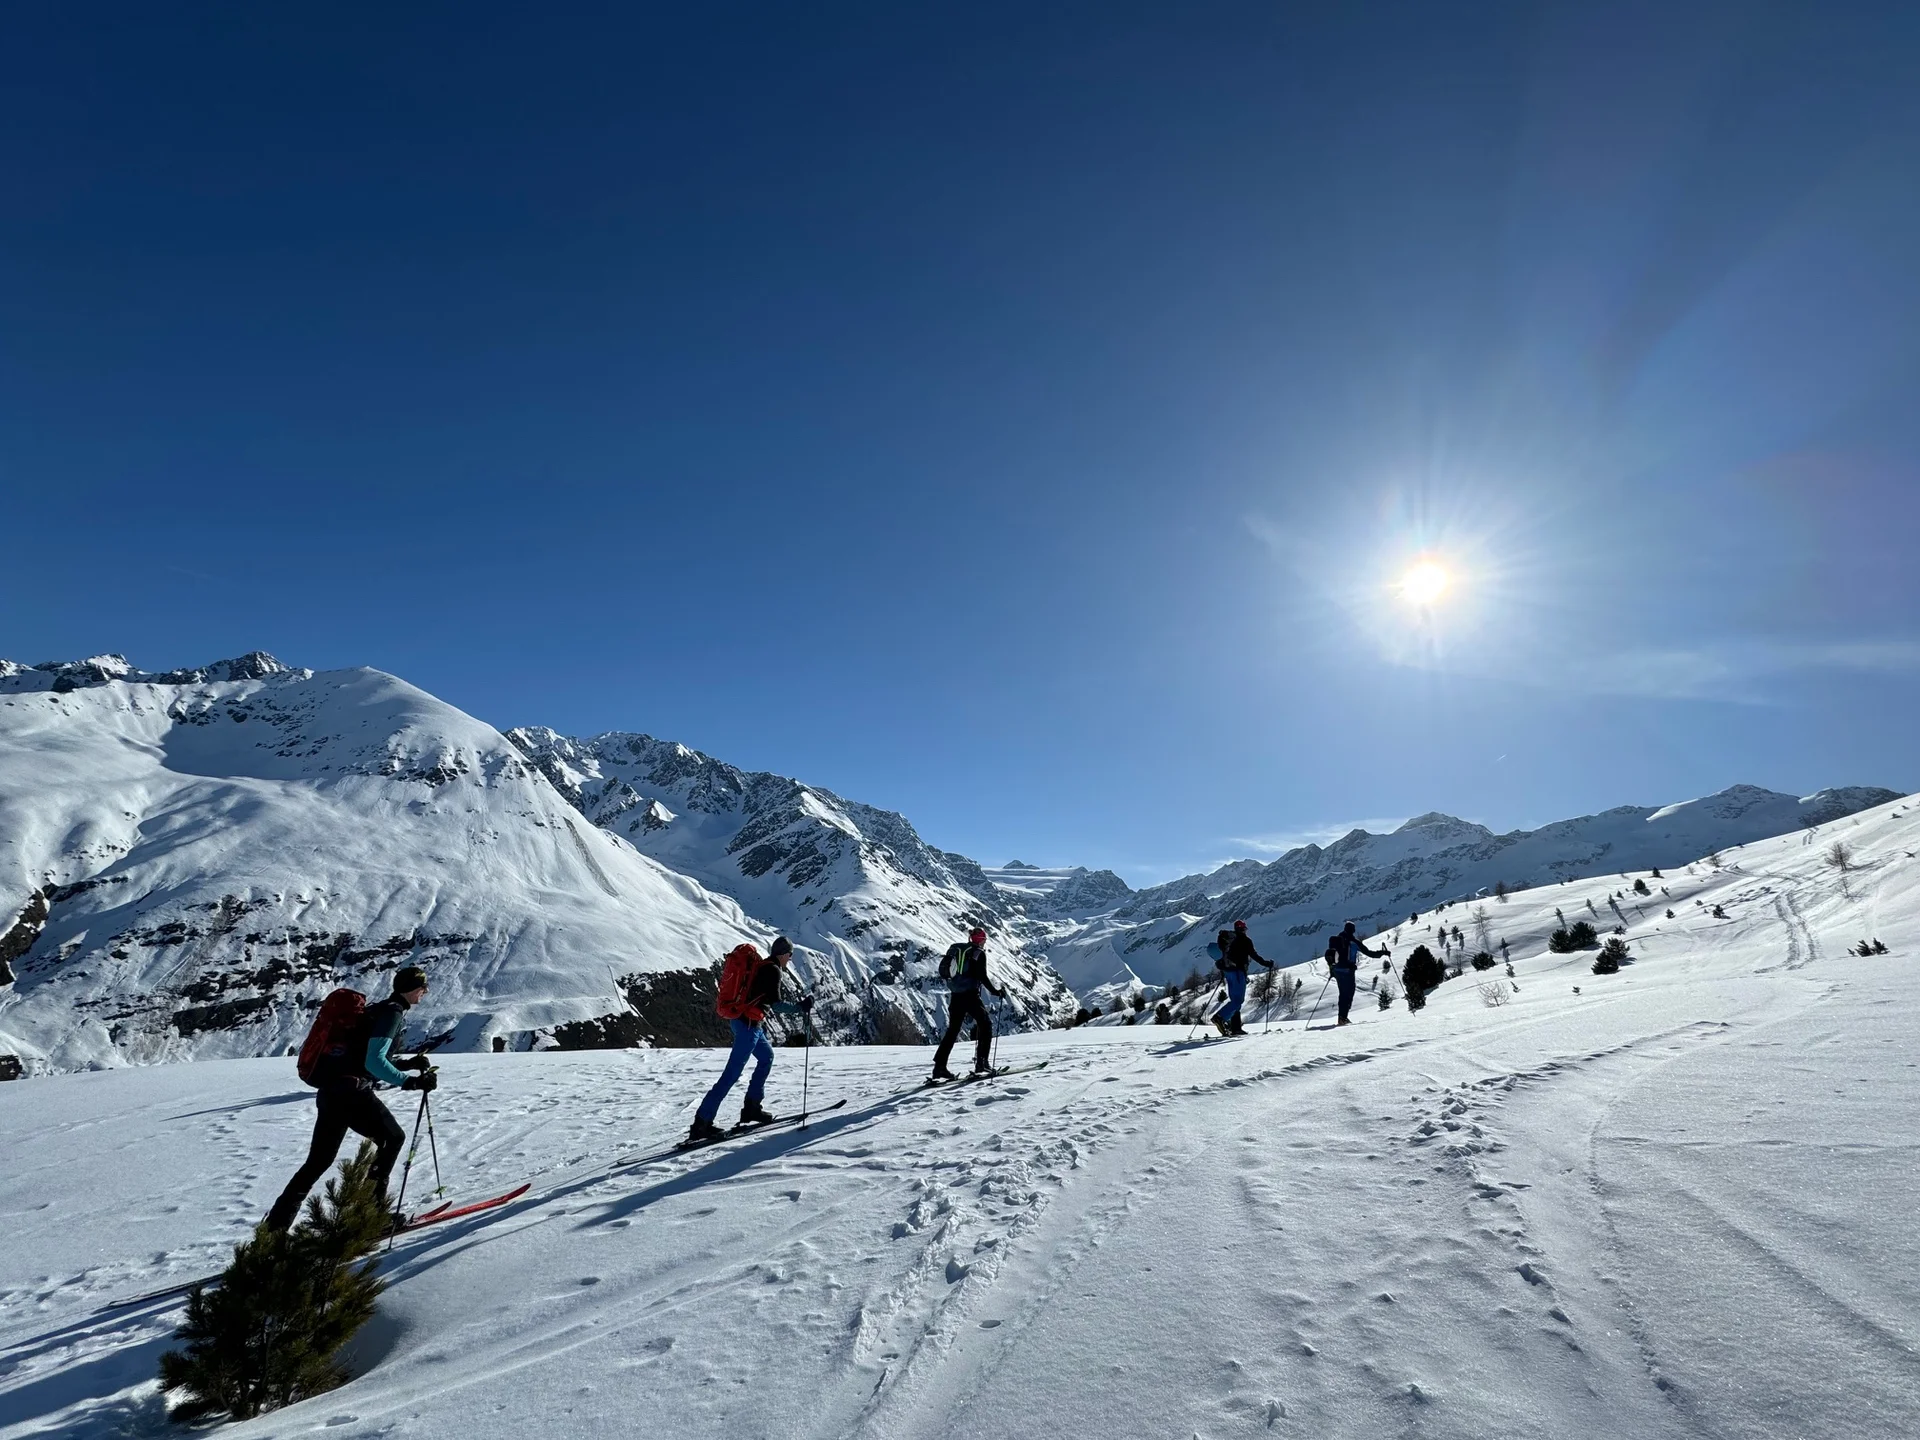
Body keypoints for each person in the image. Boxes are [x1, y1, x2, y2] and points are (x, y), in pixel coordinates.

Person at [266, 965, 435, 1232]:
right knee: (393, 1138)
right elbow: (374, 1061)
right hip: (353, 1094)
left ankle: (274, 1229)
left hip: (332, 1092)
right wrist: (410, 1082)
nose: (425, 993)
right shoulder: (392, 1013)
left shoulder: (378, 1009)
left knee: (318, 1162)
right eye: (424, 988)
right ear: (415, 989)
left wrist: (408, 1064)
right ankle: (372, 1216)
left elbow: (363, 1058)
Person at [689, 936, 813, 1144]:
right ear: (783, 954)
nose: (790, 960)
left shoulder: (764, 965)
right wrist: (800, 1008)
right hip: (748, 1025)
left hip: (746, 1022)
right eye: (790, 955)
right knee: (732, 1074)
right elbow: (776, 1004)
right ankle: (702, 1123)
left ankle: (752, 1108)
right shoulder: (773, 970)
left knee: (766, 1057)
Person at [931, 927, 1006, 1080]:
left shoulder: (959, 950)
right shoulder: (979, 954)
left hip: (956, 996)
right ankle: (982, 1063)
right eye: (984, 940)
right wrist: (995, 991)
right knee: (985, 1024)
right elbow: (982, 976)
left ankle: (939, 1067)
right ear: (981, 940)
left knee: (952, 1031)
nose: (984, 943)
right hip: (970, 996)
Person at [1213, 919, 1274, 1035]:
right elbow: (1254, 955)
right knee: (1238, 1001)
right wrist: (1267, 963)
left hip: (1228, 972)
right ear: (1243, 929)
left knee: (1234, 1000)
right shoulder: (1245, 941)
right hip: (1238, 972)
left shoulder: (1228, 940)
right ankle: (1219, 1017)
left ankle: (1235, 1027)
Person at [1327, 921, 1389, 1026]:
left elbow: (1332, 955)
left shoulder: (1337, 939)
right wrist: (1383, 953)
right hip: (1348, 971)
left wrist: (1332, 970)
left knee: (1342, 994)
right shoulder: (1353, 942)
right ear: (1353, 930)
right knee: (1348, 994)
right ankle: (1343, 1018)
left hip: (1337, 971)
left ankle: (1342, 1018)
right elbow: (1369, 953)